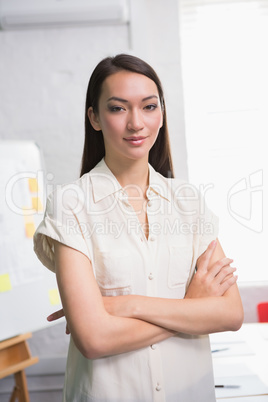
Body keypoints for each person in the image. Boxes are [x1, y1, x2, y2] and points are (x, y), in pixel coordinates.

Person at [33, 54, 244, 402]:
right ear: (95, 118)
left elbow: (231, 312)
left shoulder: (188, 201)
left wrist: (122, 305)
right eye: (118, 109)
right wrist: (191, 307)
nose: (136, 123)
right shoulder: (71, 204)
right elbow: (94, 339)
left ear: (161, 113)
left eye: (149, 106)